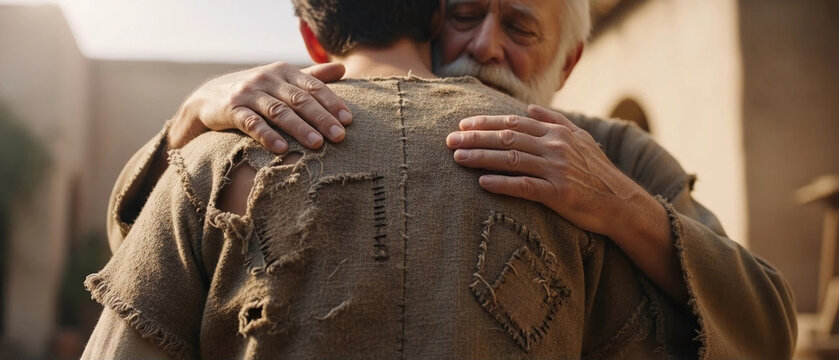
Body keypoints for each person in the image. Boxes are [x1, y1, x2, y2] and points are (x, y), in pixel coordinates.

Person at [101, 0, 797, 359]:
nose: (484, 44)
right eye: (465, 15)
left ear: (570, 57)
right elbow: (144, 251)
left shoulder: (614, 153)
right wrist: (191, 116)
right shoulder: (285, 117)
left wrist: (616, 204)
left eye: (520, 26)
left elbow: (764, 323)